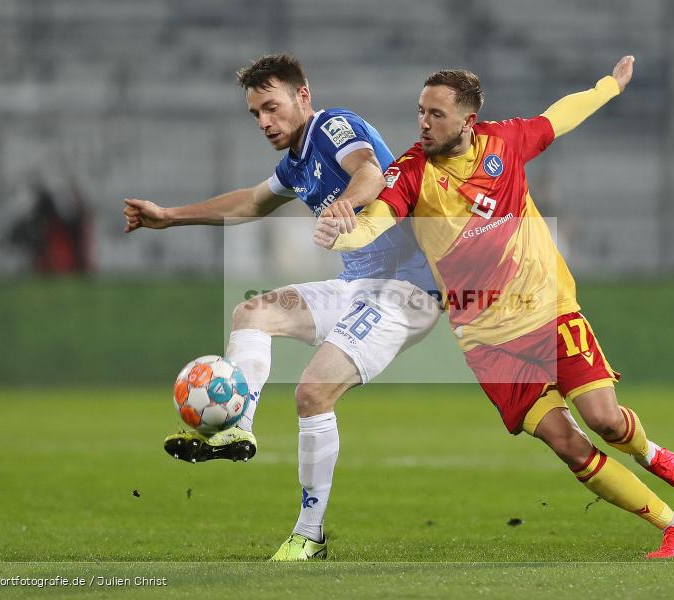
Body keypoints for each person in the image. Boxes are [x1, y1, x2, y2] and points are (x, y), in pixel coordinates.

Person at [314, 56, 674, 559]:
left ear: (467, 121)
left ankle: (649, 452)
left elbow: (558, 117)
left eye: (435, 114)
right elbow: (379, 218)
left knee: (604, 421)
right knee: (569, 445)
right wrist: (348, 232)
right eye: (420, 112)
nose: (423, 124)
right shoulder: (411, 170)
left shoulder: (503, 143)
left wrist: (610, 85)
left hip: (547, 310)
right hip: (487, 342)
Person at [124, 53, 439, 560]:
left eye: (272, 107)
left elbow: (372, 174)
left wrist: (348, 204)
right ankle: (236, 428)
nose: (265, 122)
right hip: (359, 287)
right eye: (256, 114)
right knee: (252, 313)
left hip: (407, 291)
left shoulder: (334, 126)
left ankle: (309, 536)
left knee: (313, 392)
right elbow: (251, 201)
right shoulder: (294, 164)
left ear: (303, 96)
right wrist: (170, 216)